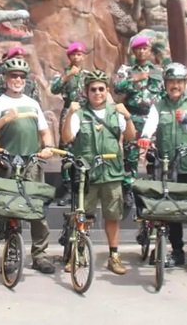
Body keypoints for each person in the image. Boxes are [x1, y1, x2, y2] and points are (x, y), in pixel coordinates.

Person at [0, 57, 56, 273]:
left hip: (31, 162)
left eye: (21, 76)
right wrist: (4, 119)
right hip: (7, 162)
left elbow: (44, 131)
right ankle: (12, 250)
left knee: (36, 209)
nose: (18, 79)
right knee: (10, 207)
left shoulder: (33, 104)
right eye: (13, 76)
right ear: (5, 78)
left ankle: (40, 255)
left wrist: (48, 145)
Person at [138, 62, 187, 276]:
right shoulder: (158, 106)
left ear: (184, 84)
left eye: (179, 82)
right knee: (170, 211)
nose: (175, 86)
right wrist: (144, 138)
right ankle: (178, 252)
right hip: (167, 166)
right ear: (165, 84)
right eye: (171, 82)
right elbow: (150, 125)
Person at [60, 70, 135, 275]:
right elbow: (67, 138)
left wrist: (128, 117)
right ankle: (78, 253)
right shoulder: (80, 113)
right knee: (83, 216)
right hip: (87, 174)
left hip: (112, 173)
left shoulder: (116, 112)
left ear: (107, 90)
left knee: (113, 216)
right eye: (93, 89)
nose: (97, 93)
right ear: (87, 92)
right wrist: (69, 114)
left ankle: (114, 256)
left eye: (101, 89)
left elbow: (130, 137)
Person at [113, 35, 164, 211]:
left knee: (155, 156)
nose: (142, 51)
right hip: (133, 117)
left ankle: (154, 188)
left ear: (150, 51)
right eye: (138, 48)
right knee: (130, 156)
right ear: (134, 51)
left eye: (145, 48)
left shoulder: (158, 71)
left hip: (152, 117)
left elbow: (164, 94)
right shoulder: (126, 70)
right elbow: (117, 88)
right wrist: (135, 78)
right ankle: (128, 190)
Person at [50, 41, 88, 206]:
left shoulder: (87, 75)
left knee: (84, 147)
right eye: (73, 54)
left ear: (83, 56)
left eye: (79, 54)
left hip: (84, 112)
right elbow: (54, 89)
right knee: (66, 150)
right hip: (68, 112)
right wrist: (67, 76)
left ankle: (82, 188)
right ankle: (67, 189)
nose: (76, 57)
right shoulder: (63, 74)